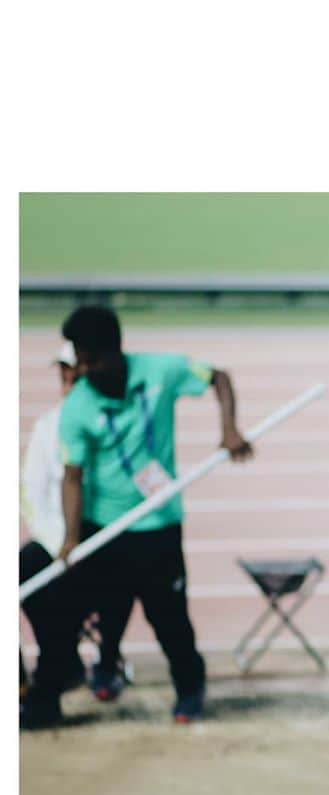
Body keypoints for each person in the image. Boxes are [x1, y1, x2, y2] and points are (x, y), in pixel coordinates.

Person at [56, 305, 254, 723]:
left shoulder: (160, 371)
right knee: (110, 609)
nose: (85, 369)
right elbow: (72, 477)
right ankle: (106, 670)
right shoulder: (77, 407)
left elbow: (219, 377)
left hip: (159, 525)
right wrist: (71, 538)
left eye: (92, 358)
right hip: (105, 526)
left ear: (115, 351)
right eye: (80, 359)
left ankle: (189, 689)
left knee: (168, 616)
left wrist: (229, 429)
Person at [20, 345, 95, 728]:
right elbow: (30, 493)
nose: (67, 380)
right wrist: (60, 546)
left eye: (75, 372)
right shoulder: (47, 426)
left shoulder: (105, 422)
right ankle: (20, 683)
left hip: (99, 542)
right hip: (56, 544)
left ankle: (48, 689)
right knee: (22, 571)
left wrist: (81, 544)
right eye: (63, 372)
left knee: (61, 599)